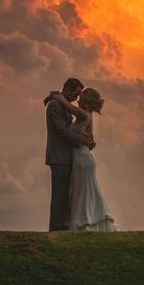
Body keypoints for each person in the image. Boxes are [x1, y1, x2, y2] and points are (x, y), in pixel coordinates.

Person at [50, 87, 117, 231]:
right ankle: (88, 219)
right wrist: (87, 139)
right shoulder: (89, 116)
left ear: (85, 101)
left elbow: (65, 104)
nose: (78, 100)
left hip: (81, 157)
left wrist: (56, 96)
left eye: (80, 97)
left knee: (81, 190)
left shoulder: (82, 113)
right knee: (85, 189)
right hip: (84, 156)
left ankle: (84, 221)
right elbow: (91, 138)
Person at [44, 78, 94, 231]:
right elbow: (62, 131)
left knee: (67, 193)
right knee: (59, 193)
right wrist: (83, 140)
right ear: (67, 89)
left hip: (68, 156)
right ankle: (56, 226)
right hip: (59, 157)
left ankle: (63, 224)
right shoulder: (54, 106)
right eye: (76, 94)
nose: (76, 98)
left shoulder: (63, 106)